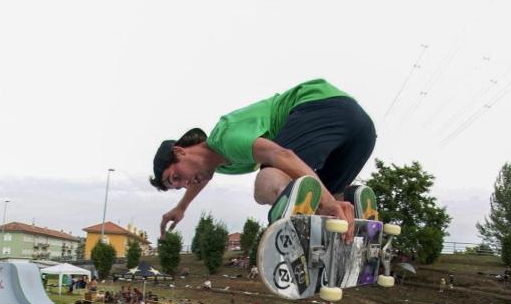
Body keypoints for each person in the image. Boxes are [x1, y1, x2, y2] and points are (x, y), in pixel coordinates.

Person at [151, 79, 377, 242]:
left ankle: (314, 216)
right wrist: (181, 207)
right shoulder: (222, 164)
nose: (185, 184)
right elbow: (199, 179)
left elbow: (282, 155)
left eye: (176, 177)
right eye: (178, 187)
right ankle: (352, 211)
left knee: (266, 182)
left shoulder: (225, 138)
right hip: (361, 131)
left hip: (320, 106)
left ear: (180, 151)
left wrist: (327, 202)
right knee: (329, 196)